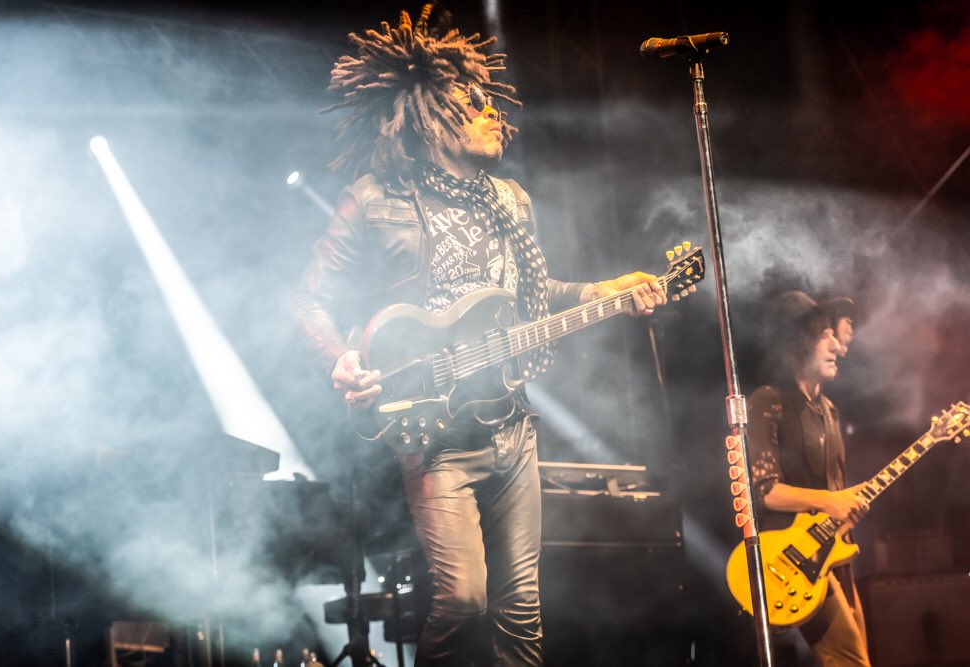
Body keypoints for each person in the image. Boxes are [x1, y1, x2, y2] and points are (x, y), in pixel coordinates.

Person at [296, 6, 666, 665]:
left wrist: (608, 291)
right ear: (434, 117)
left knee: (521, 605)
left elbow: (531, 297)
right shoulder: (377, 197)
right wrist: (342, 360)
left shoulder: (511, 199)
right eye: (473, 105)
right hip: (437, 437)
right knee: (464, 598)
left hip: (511, 425)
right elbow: (309, 299)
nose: (497, 114)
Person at [747, 290, 870, 666]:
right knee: (850, 660)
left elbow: (833, 491)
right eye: (823, 336)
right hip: (790, 558)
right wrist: (828, 501)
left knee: (857, 656)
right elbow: (764, 491)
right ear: (798, 343)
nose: (837, 346)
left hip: (832, 551)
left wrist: (845, 505)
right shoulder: (768, 401)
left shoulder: (829, 410)